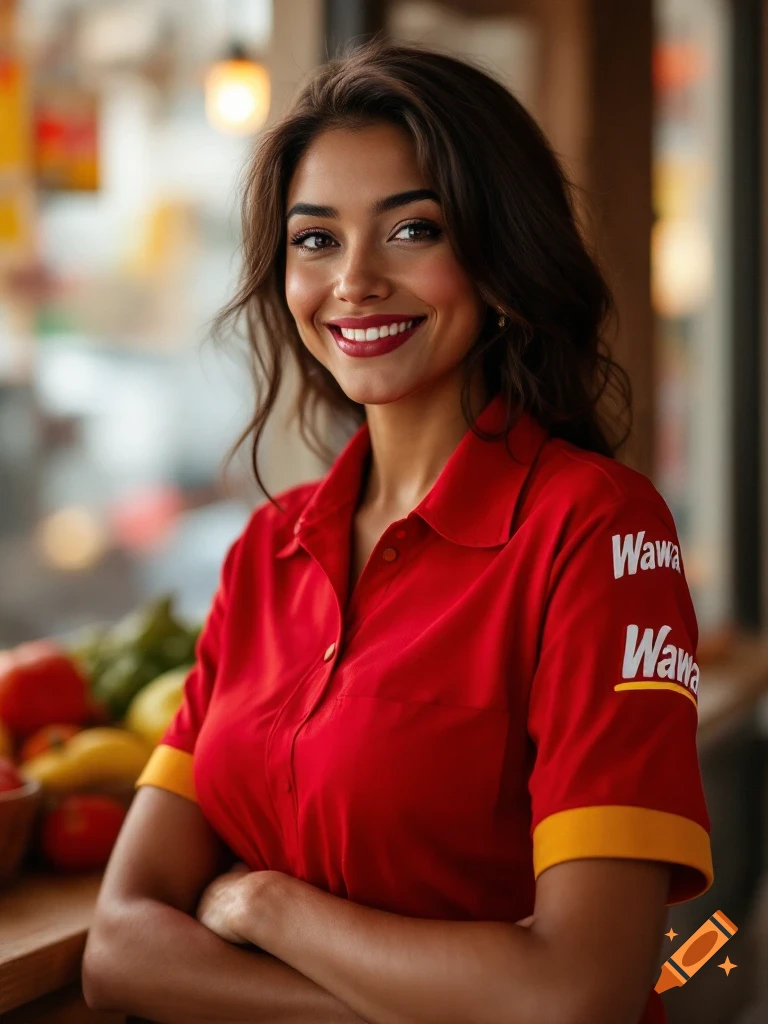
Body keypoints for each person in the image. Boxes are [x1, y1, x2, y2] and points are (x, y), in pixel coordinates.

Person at [82, 39, 713, 1024]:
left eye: (412, 230)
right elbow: (120, 945)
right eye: (316, 239)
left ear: (501, 258)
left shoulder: (597, 533)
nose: (356, 280)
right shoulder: (267, 550)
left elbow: (581, 992)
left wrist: (267, 904)